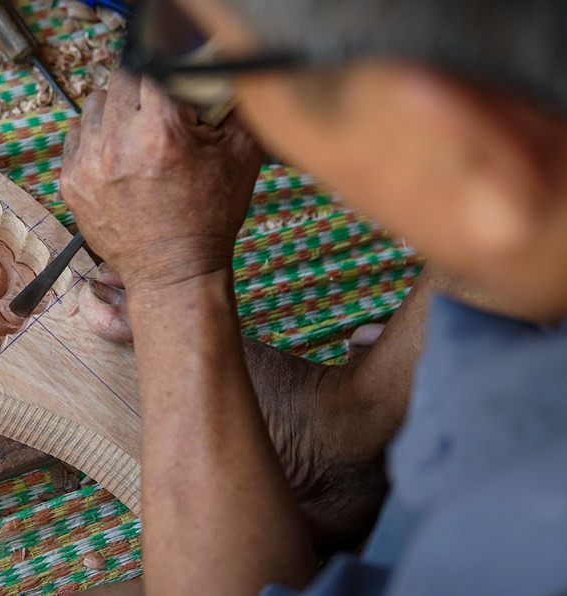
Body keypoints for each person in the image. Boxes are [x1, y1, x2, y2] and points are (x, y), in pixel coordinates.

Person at [60, 0, 567, 594]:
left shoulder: (527, 517)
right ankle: (353, 432)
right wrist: (378, 404)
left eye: (224, 67)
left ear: (458, 143)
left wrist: (174, 277)